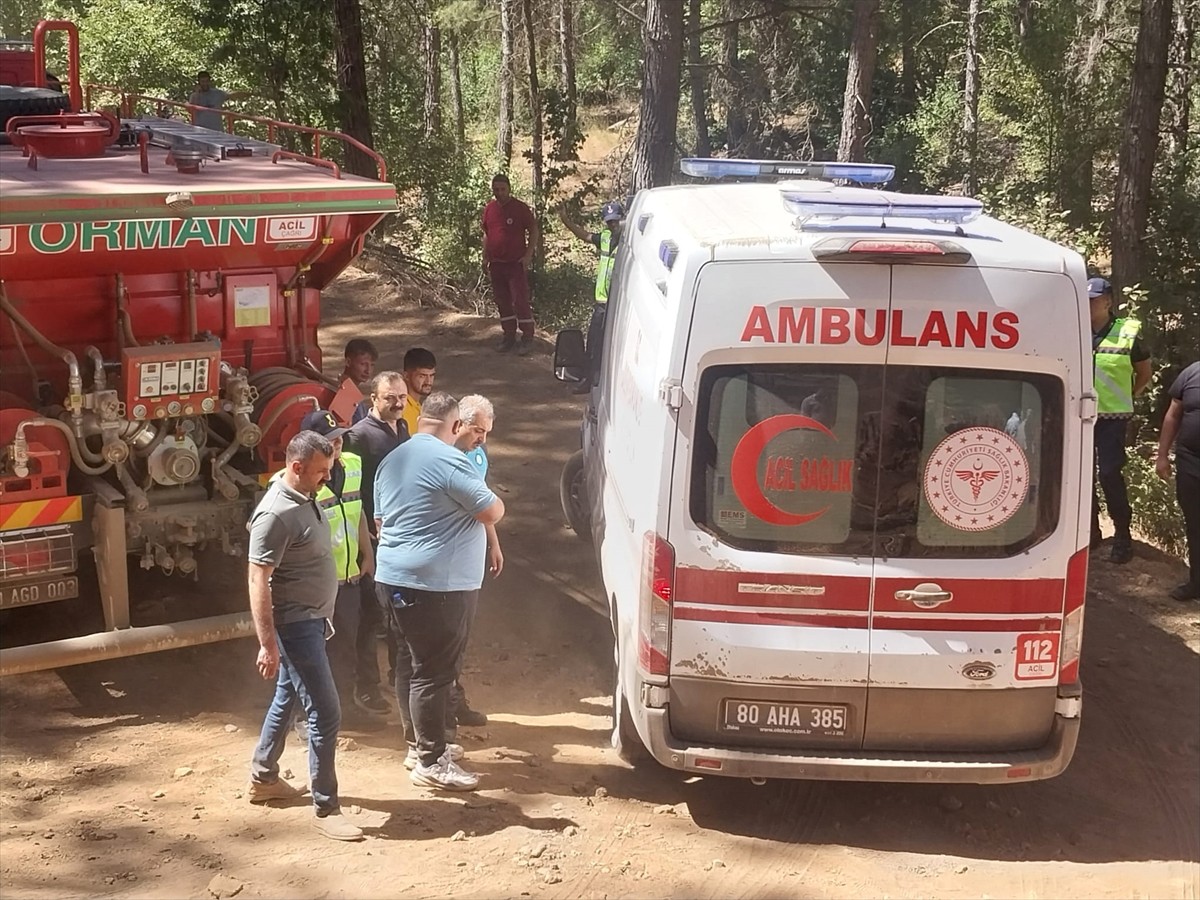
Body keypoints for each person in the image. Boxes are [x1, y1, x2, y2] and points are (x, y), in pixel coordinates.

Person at [374, 392, 505, 791]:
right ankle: (433, 759)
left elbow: (379, 518)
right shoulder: (448, 459)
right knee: (434, 672)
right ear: (454, 425)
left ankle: (417, 745)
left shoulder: (392, 459)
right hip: (438, 586)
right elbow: (491, 510)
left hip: (393, 578)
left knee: (409, 666)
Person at [246, 430, 363, 842]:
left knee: (287, 695)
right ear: (296, 468)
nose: (327, 479)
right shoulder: (276, 514)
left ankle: (264, 777)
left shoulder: (303, 493)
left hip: (312, 620)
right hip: (296, 626)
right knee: (326, 713)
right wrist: (267, 643)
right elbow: (258, 579)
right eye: (320, 472)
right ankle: (326, 807)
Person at [288, 410, 384, 732]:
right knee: (314, 654)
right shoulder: (297, 480)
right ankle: (307, 718)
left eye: (340, 436)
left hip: (349, 578)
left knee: (346, 648)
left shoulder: (353, 465)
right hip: (316, 584)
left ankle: (342, 710)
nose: (338, 443)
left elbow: (355, 511)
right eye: (330, 440)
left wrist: (367, 553)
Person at [343, 371, 411, 717]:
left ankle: (401, 679)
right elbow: (350, 495)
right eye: (390, 398)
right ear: (373, 400)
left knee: (398, 613)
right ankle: (365, 687)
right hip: (369, 542)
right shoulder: (358, 437)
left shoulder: (401, 429)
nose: (398, 404)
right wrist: (363, 538)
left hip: (399, 538)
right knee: (370, 616)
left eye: (401, 397)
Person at [447, 394, 503, 730]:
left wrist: (493, 543)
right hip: (445, 560)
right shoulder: (442, 456)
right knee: (446, 638)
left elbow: (484, 502)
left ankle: (455, 700)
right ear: (461, 424)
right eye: (478, 431)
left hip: (468, 558)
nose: (482, 439)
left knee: (460, 636)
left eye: (487, 433)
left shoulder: (477, 456)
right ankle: (443, 710)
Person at [1089, 276, 1152, 564]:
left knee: (1109, 474)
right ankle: (1090, 532)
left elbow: (1144, 373)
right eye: (1086, 299)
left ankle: (1122, 535)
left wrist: (1128, 397)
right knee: (1081, 477)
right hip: (1079, 415)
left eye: (1095, 300)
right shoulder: (1073, 328)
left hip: (1113, 418)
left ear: (1108, 301)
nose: (1090, 305)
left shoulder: (1126, 332)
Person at [558, 200, 624, 392]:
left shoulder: (629, 241)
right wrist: (565, 221)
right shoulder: (604, 237)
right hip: (602, 303)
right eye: (609, 222)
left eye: (616, 221)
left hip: (618, 303)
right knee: (594, 342)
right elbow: (584, 235)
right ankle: (590, 380)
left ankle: (603, 381)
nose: (613, 225)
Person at [1156, 361, 1200, 601]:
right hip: (1190, 462)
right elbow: (1173, 415)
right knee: (1195, 526)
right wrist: (1162, 455)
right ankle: (1196, 584)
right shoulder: (1191, 373)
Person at [481, 173, 539, 355]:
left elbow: (534, 230)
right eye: (496, 190)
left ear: (509, 189)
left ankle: (527, 337)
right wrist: (484, 257)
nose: (499, 193)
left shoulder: (520, 208)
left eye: (502, 189)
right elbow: (486, 234)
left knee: (519, 300)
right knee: (502, 301)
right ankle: (509, 336)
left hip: (515, 263)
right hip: (496, 263)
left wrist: (528, 255)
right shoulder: (490, 209)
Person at [188, 70, 254, 132]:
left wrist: (249, 94)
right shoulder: (194, 96)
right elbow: (191, 111)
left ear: (209, 81)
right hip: (200, 130)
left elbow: (232, 95)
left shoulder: (217, 93)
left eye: (207, 81)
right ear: (199, 82)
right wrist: (197, 94)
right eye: (203, 81)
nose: (205, 84)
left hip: (216, 130)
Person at [331, 338, 378, 424]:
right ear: (348, 362)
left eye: (372, 365)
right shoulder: (343, 392)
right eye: (363, 364)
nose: (368, 370)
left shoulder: (352, 390)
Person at [400, 348, 437, 437]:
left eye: (431, 376)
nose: (428, 382)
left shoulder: (418, 407)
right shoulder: (401, 408)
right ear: (406, 376)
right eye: (422, 376)